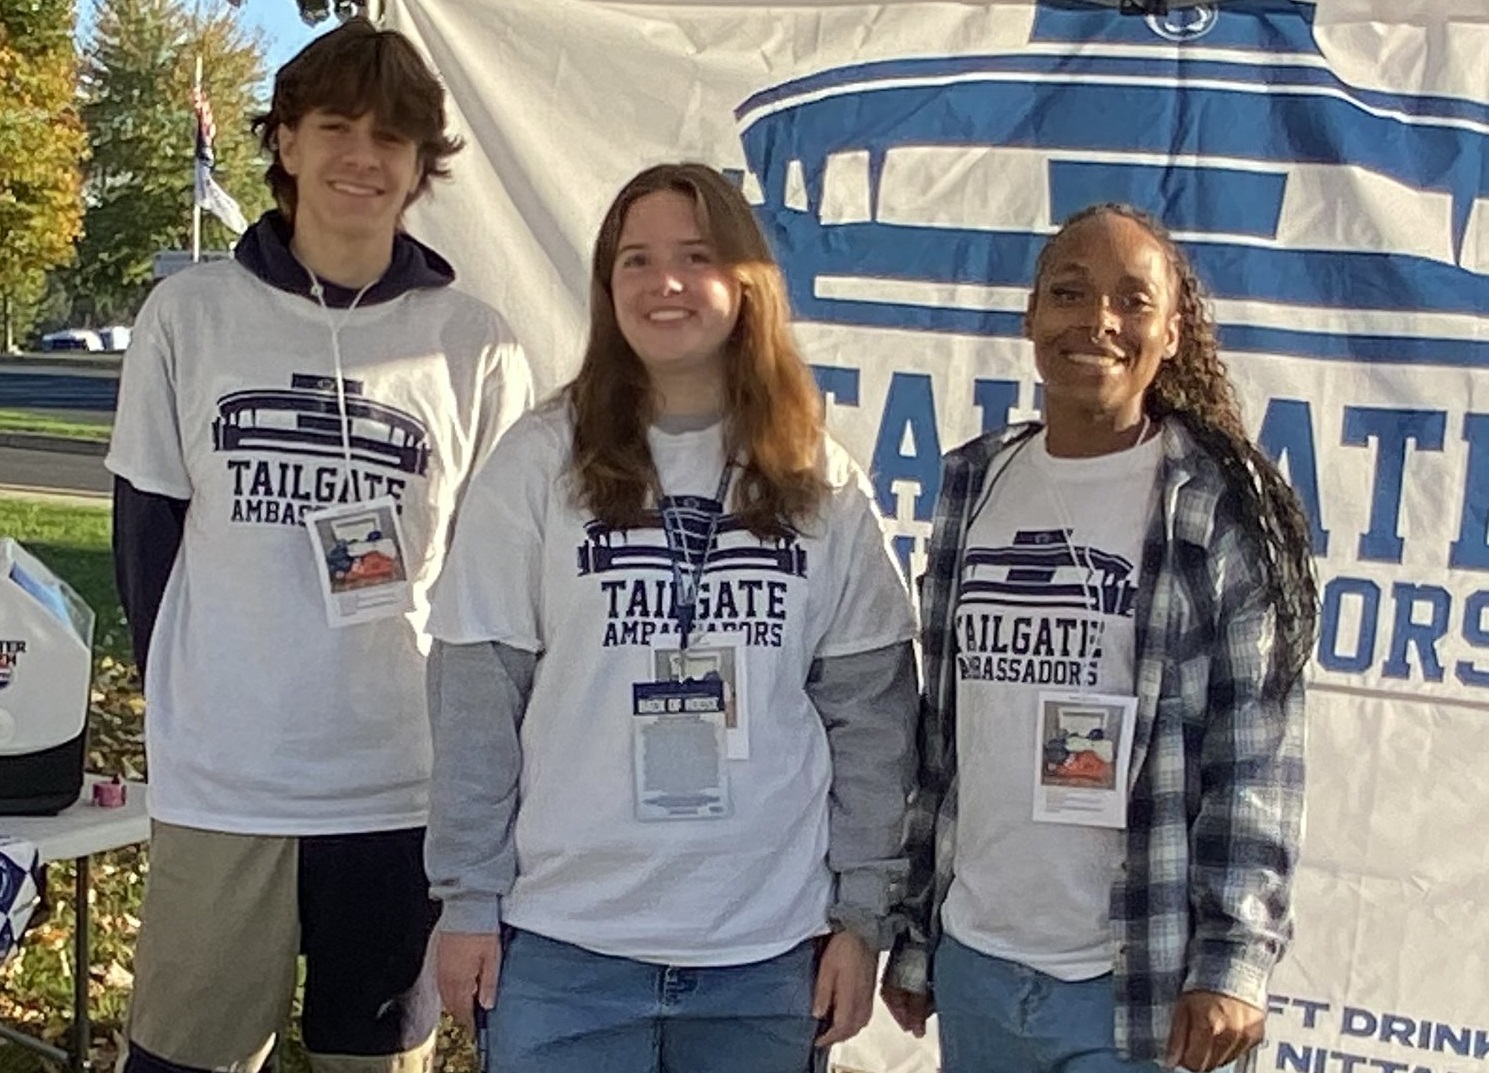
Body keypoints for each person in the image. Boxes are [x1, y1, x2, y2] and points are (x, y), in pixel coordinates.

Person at [423, 162, 918, 1073]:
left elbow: (871, 720)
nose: (666, 284)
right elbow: (476, 701)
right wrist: (467, 898)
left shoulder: (821, 482)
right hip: (564, 948)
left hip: (765, 957)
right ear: (607, 287)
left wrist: (859, 914)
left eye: (696, 256)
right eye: (636, 260)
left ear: (747, 281)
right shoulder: (536, 465)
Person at [107, 19, 533, 1073]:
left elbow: (496, 591)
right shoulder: (188, 316)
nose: (363, 157)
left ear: (422, 166)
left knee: (375, 1060)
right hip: (227, 784)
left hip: (400, 788)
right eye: (336, 126)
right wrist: (214, 696)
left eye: (392, 138)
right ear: (285, 142)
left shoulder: (475, 344)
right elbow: (145, 548)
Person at [881, 203, 1317, 1073]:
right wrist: (917, 930)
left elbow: (1256, 753)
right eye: (1069, 293)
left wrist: (1233, 959)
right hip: (979, 965)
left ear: (1172, 329)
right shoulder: (976, 479)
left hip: (1137, 985)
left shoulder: (1218, 503)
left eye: (1132, 300)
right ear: (1031, 316)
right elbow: (945, 735)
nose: (1098, 322)